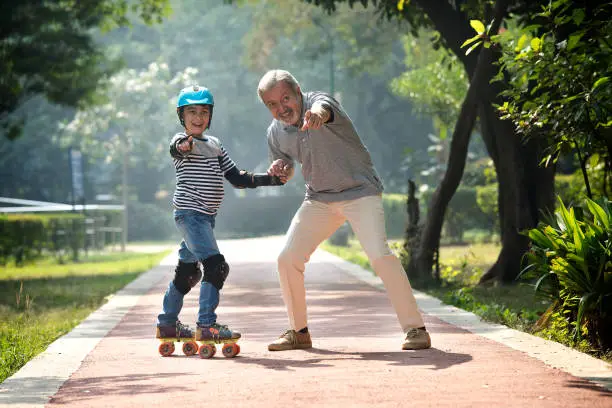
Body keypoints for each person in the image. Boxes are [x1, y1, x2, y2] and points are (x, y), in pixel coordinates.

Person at [258, 70, 431, 351]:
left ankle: (415, 329)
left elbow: (323, 109)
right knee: (287, 258)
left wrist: (316, 115)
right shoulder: (275, 133)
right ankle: (298, 331)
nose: (281, 108)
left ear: (298, 90)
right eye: (272, 105)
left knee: (379, 255)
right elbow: (286, 167)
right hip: (319, 199)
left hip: (359, 192)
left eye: (285, 98)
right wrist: (282, 169)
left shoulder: (320, 102)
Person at [156, 85, 283, 344]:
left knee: (188, 273)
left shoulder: (215, 145)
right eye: (191, 112)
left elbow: (237, 178)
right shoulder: (181, 142)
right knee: (216, 267)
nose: (198, 117)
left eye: (204, 111)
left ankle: (167, 324)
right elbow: (176, 149)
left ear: (210, 115)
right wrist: (183, 146)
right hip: (190, 214)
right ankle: (206, 325)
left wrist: (272, 180)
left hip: (205, 218)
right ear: (182, 116)